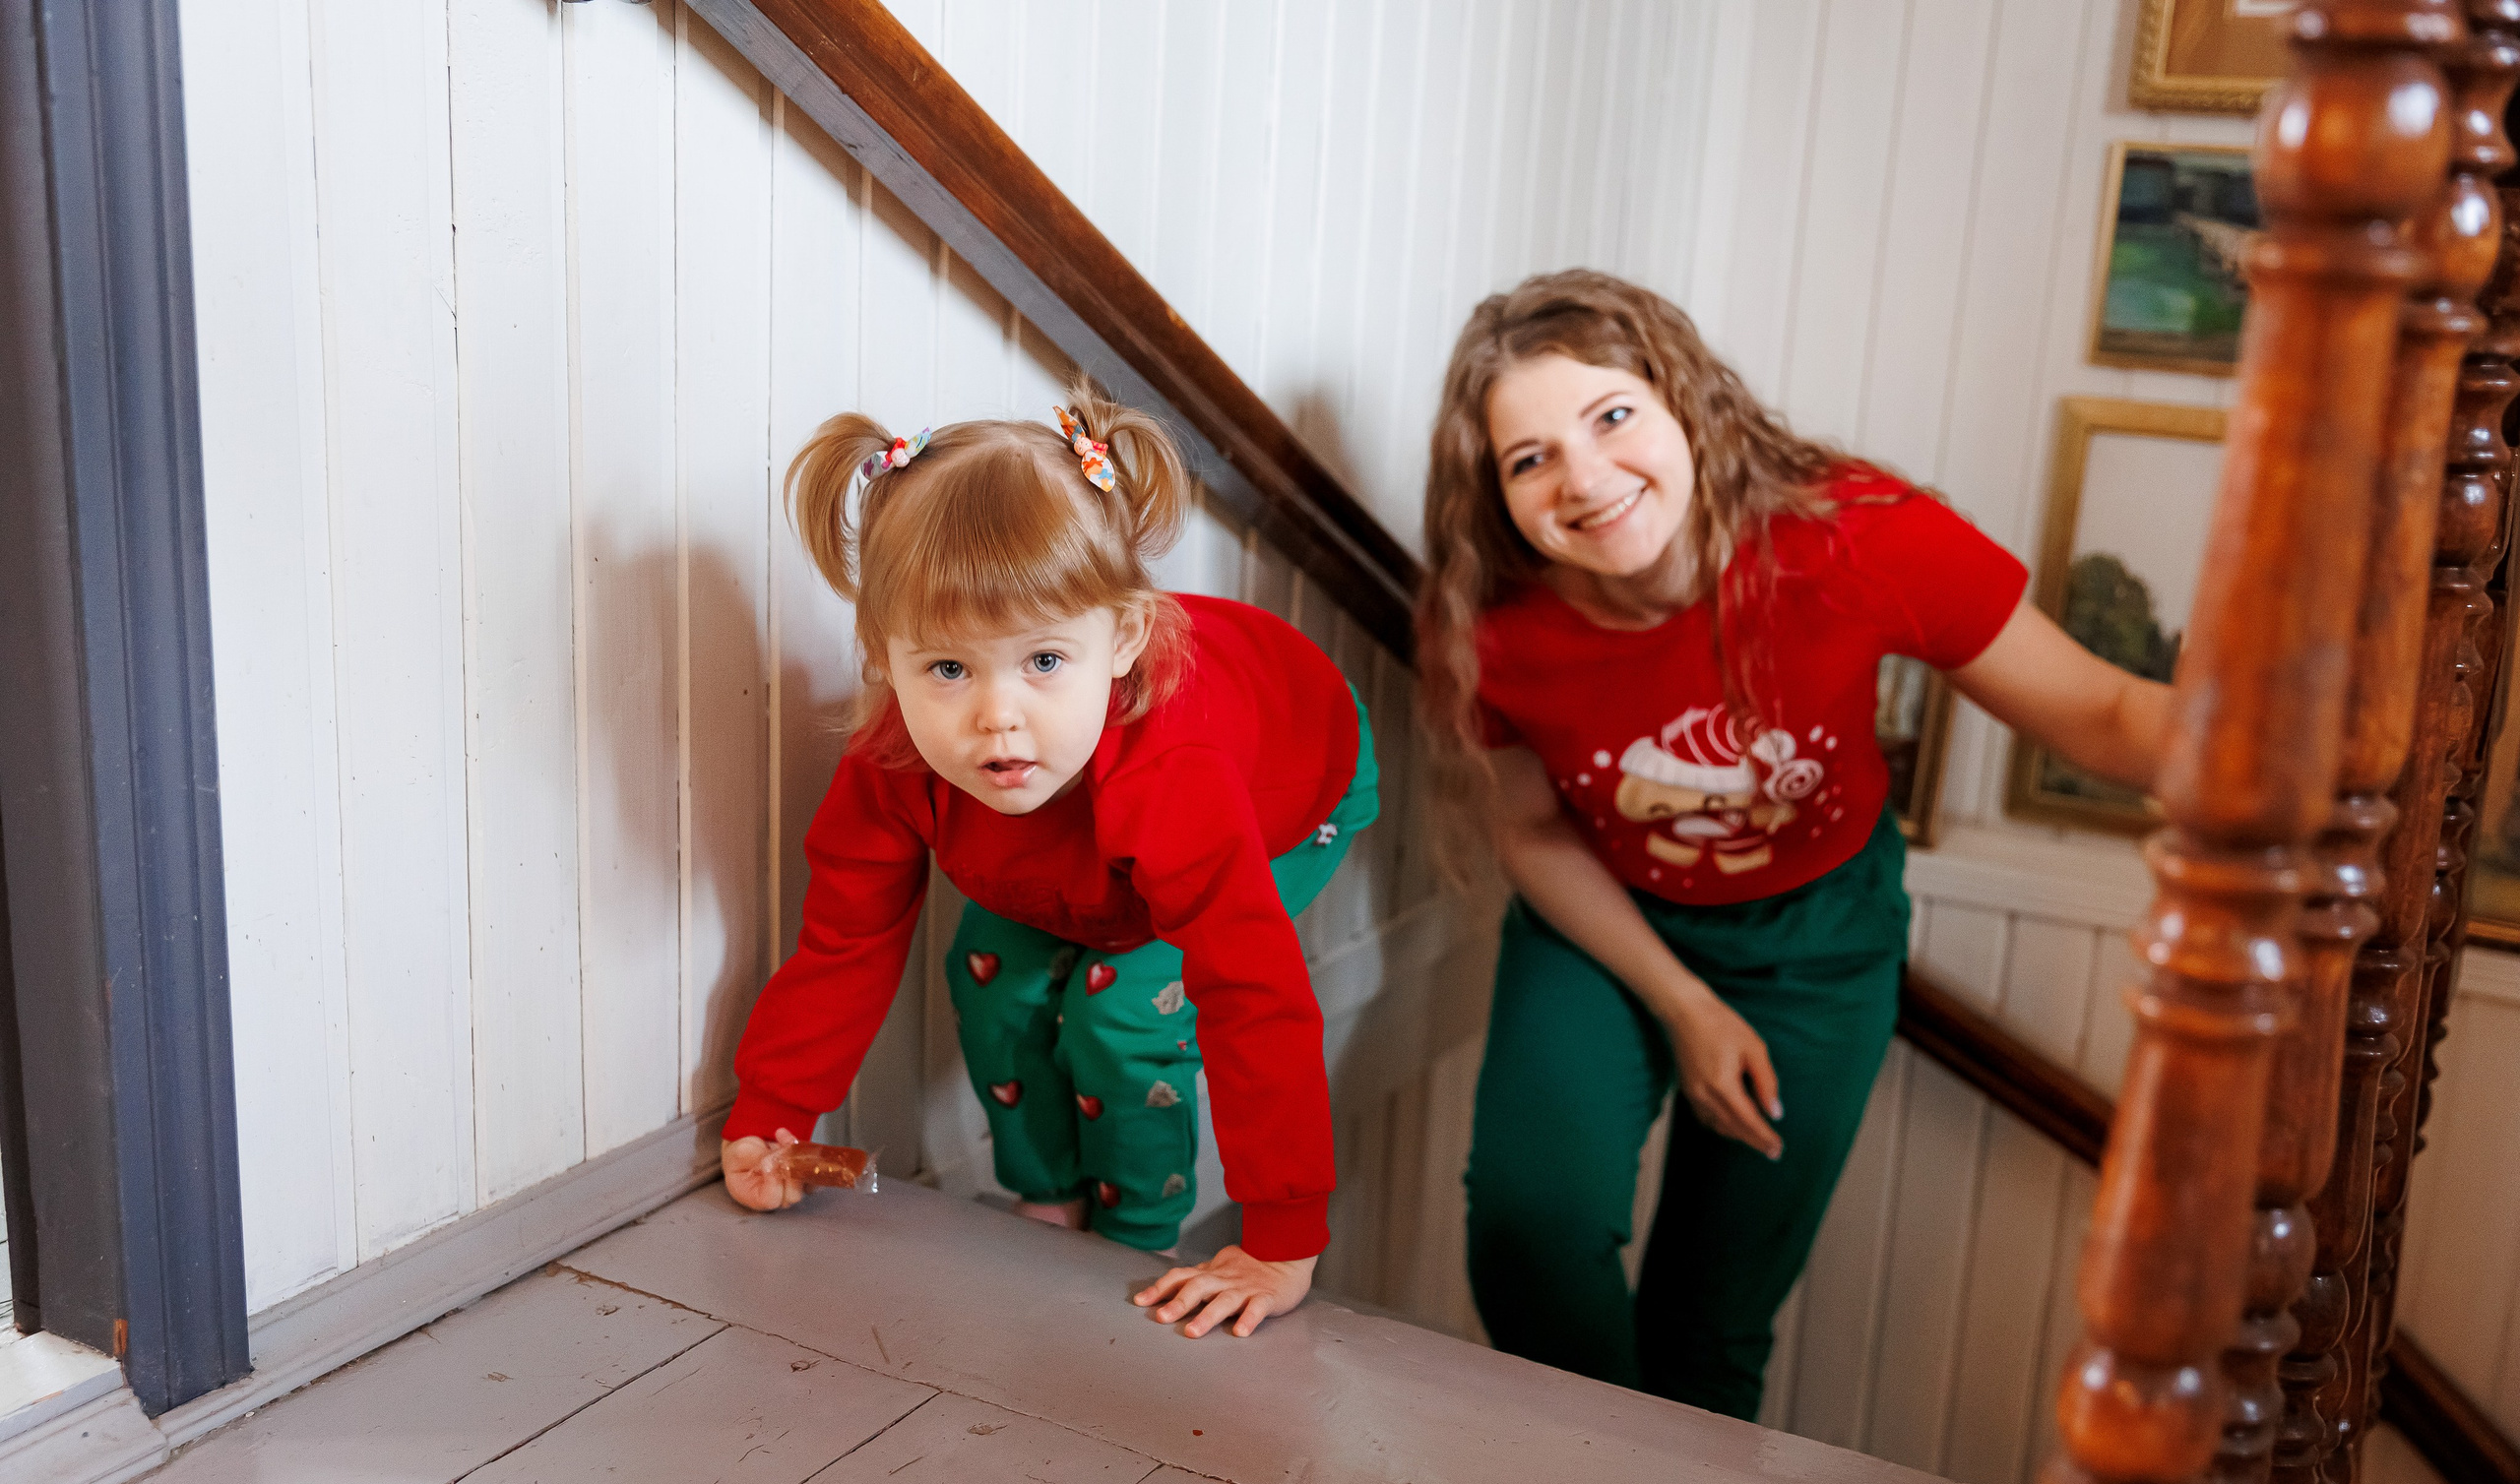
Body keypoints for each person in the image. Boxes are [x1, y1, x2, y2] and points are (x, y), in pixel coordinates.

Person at [1417, 271, 2172, 1418]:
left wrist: (2324, 762)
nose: (1582, 477)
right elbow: (1527, 828)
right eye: (1529, 460)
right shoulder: (1489, 619)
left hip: (1816, 940)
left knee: (1709, 1322)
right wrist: (1683, 1002)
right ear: (1499, 497)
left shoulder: (1852, 537)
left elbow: (2108, 716)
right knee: (1531, 1232)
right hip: (1607, 922)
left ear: (1683, 401)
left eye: (1610, 416)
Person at [724, 390, 1376, 1340]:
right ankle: (1052, 1200)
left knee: (1117, 1007)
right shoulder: (897, 758)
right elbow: (845, 939)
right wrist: (772, 1114)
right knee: (992, 978)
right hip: (1083, 833)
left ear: (1122, 640)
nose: (998, 717)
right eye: (948, 669)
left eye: (1042, 662)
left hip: (1292, 787)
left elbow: (1251, 990)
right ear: (883, 659)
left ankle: (1137, 1234)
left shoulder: (1173, 773)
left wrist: (1282, 1235)